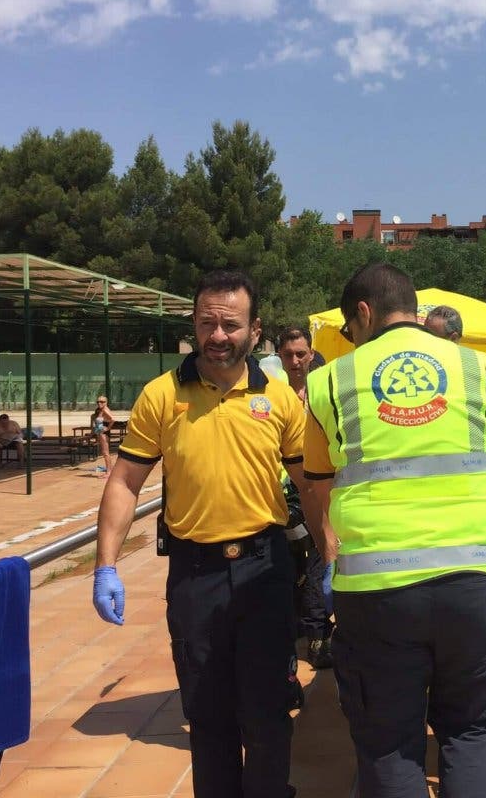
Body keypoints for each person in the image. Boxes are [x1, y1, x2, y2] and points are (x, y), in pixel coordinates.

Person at [91, 270, 320, 798]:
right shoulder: (160, 396)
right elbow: (125, 482)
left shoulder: (280, 400)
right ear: (194, 325)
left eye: (230, 325)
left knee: (266, 715)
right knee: (208, 714)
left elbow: (310, 484)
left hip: (266, 569)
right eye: (207, 323)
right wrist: (105, 565)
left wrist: (332, 553)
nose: (218, 335)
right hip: (195, 575)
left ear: (254, 331)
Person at [305, 262, 486, 797]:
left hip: (377, 589)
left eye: (349, 330)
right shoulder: (484, 372)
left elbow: (319, 485)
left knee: (388, 741)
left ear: (362, 313)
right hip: (476, 579)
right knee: (474, 729)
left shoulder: (330, 380)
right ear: (415, 309)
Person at [276, 325, 334, 669]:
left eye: (301, 354)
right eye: (288, 355)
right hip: (286, 497)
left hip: (322, 491)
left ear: (311, 354)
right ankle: (303, 634)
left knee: (318, 562)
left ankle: (316, 637)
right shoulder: (277, 399)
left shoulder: (323, 396)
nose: (295, 361)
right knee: (294, 569)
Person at [90, 395, 114, 477]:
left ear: (106, 402)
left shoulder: (105, 410)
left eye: (102, 402)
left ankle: (108, 472)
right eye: (98, 402)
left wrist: (107, 428)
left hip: (103, 433)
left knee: (105, 453)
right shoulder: (101, 410)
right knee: (105, 453)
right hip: (100, 433)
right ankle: (109, 471)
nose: (99, 403)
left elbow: (112, 419)